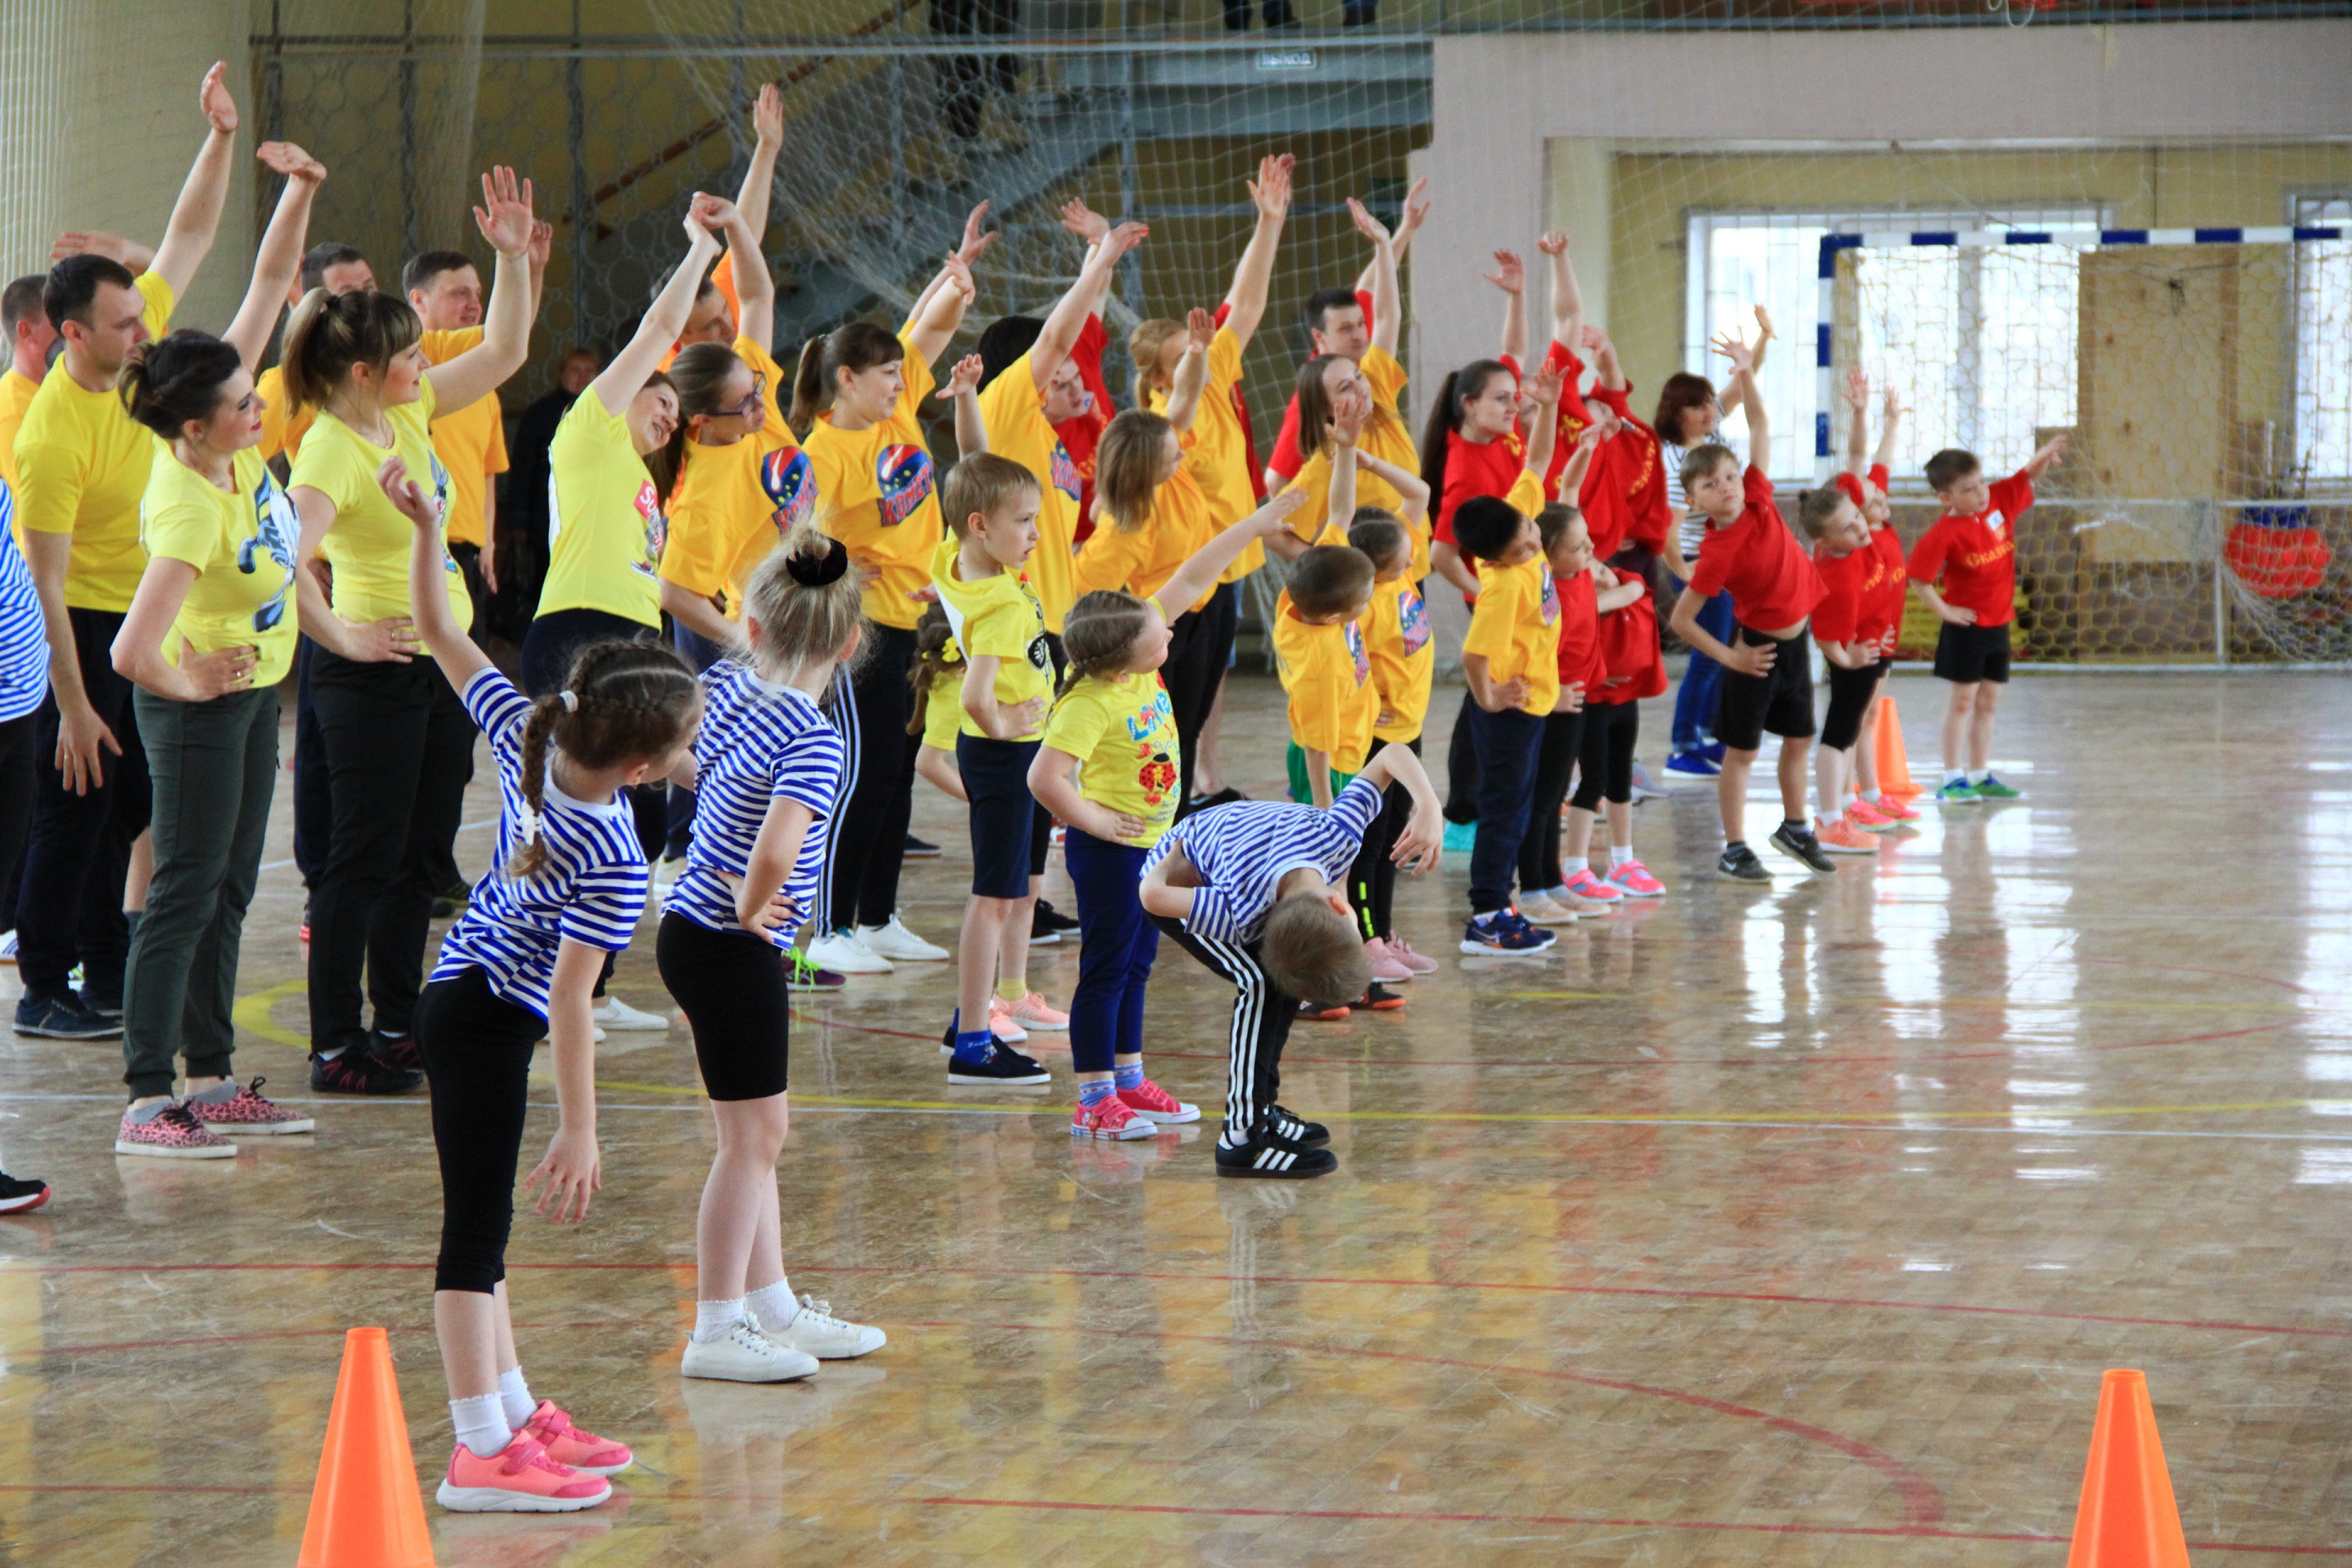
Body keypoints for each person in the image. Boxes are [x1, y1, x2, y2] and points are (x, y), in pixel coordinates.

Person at [387, 453, 697, 1513]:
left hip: (463, 1001)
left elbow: (441, 631)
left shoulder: (530, 729)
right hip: (485, 1021)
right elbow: (571, 1001)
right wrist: (582, 1128)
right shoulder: (615, 856)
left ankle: (513, 1410)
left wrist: (427, 531)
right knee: (473, 1238)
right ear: (641, 767)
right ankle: (479, 1451)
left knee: (488, 1231)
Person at [285, 165, 538, 1092]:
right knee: (360, 860)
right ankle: (334, 1045)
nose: (427, 363)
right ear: (365, 372)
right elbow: (282, 560)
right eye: (412, 355)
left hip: (441, 667)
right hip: (375, 675)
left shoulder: (409, 408)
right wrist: (344, 638)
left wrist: (512, 257)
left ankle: (396, 1023)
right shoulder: (329, 449)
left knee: (416, 860)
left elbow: (505, 349)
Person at [105, 139, 327, 1157]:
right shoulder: (190, 502)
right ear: (196, 429)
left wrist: (299, 189)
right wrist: (187, 680)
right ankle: (149, 1096)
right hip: (197, 711)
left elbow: (272, 284)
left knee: (230, 889)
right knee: (185, 891)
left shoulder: (227, 444)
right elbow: (131, 649)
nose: (259, 405)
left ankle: (212, 1076)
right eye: (244, 405)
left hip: (248, 697)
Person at [11, 64, 240, 1042]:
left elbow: (188, 235)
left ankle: (106, 966)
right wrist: (71, 707)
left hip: (141, 611)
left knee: (127, 802)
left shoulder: (131, 357)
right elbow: (46, 586)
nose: (145, 331)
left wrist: (219, 137)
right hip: (79, 625)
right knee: (79, 800)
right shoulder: (49, 438)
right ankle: (42, 988)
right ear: (71, 335)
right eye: (124, 324)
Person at [659, 531, 889, 1383]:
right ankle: (717, 1326)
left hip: (694, 935)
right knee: (753, 1139)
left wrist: (716, 811)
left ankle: (774, 1306)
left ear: (751, 628)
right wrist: (755, 906)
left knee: (755, 1133)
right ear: (850, 643)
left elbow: (681, 757)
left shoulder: (724, 687)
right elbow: (777, 850)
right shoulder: (814, 738)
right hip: (729, 944)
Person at [529, 194, 741, 1030]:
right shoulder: (589, 433)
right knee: (583, 810)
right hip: (577, 631)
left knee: (641, 811)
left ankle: (590, 985)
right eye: (659, 403)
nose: (667, 418)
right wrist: (699, 252)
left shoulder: (641, 485)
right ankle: (557, 986)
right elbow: (659, 331)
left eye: (675, 415)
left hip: (628, 641)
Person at [1028, 492, 1300, 1143]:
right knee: (1105, 968)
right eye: (1160, 634)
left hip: (1154, 848)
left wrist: (1255, 525)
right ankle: (1093, 1098)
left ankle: (1128, 1078)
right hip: (1111, 853)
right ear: (1125, 653)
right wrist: (1093, 822)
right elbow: (1044, 778)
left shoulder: (1134, 664)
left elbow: (1194, 575)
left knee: (1137, 963)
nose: (1170, 632)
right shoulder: (1091, 702)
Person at [792, 236, 978, 978]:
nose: (902, 384)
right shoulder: (820, 453)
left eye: (902, 374)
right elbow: (790, 545)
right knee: (861, 777)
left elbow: (933, 326)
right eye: (888, 375)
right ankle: (828, 926)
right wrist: (840, 566)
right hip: (860, 633)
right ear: (847, 379)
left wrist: (957, 277)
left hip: (916, 623)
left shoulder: (895, 419)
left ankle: (876, 917)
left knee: (897, 775)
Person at [1138, 739, 1442, 1178]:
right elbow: (1152, 896)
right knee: (1260, 983)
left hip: (1239, 844)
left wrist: (1428, 805)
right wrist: (1169, 860)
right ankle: (1242, 1137)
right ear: (1338, 903)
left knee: (1278, 979)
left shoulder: (1337, 833)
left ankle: (1262, 1109)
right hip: (1180, 874)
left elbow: (1392, 754)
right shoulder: (1236, 913)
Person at [1123, 156, 1293, 808]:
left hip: (1224, 569)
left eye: (1197, 348)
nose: (1201, 352)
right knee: (1171, 709)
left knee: (1199, 706)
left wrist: (1269, 221)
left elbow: (1246, 302)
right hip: (1180, 581)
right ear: (1158, 377)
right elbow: (1188, 396)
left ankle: (1193, 799)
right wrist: (1195, 359)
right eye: (1183, 355)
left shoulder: (1214, 369)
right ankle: (1158, 810)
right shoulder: (1161, 421)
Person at [1665, 333, 1832, 884]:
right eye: (1711, 484)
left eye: (1730, 477)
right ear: (1695, 500)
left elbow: (1759, 423)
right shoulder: (1715, 551)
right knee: (1741, 752)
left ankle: (1796, 827)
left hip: (1795, 644)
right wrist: (1732, 659)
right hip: (1756, 654)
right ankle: (1734, 847)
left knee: (1801, 738)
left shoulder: (1757, 493)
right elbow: (1682, 620)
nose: (1727, 488)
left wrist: (1745, 370)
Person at [929, 450, 1064, 1085]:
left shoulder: (953, 560)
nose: (1036, 533)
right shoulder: (1003, 606)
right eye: (1025, 521)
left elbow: (971, 468)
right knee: (993, 898)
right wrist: (1007, 723)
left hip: (1013, 754)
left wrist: (964, 410)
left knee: (1023, 886)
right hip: (1009, 755)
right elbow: (977, 697)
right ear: (981, 526)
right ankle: (973, 1041)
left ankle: (996, 1004)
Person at [1450, 390, 1591, 954]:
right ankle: (1487, 914)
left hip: (1532, 706)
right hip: (1510, 714)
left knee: (1523, 804)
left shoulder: (1517, 525)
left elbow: (1537, 459)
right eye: (1522, 547)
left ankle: (1502, 906)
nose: (1534, 542)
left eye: (1531, 532)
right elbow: (1473, 655)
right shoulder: (1503, 586)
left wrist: (1550, 406)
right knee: (1504, 811)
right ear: (1494, 559)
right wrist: (1488, 698)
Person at [1072, 313, 1224, 800]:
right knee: (1165, 738)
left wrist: (1197, 352)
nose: (1183, 455)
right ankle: (1157, 823)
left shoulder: (1169, 466)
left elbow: (1187, 396)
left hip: (1200, 613)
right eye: (1172, 455)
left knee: (1189, 729)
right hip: (1159, 632)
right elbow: (1082, 594)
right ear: (1146, 466)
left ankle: (1180, 822)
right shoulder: (1128, 523)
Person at [1910, 433, 2068, 804]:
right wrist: (1946, 611)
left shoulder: (1996, 501)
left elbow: (2026, 477)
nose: (1981, 492)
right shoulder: (1944, 534)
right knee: (1963, 702)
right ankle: (1952, 779)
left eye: (1981, 482)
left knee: (1989, 702)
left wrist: (2043, 456)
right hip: (1967, 629)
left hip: (1999, 623)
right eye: (1969, 489)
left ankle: (1979, 774)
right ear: (1946, 498)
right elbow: (1918, 578)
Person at [1269, 200, 1419, 583]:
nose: (1361, 387)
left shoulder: (1375, 381)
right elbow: (1274, 520)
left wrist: (1387, 242)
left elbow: (1387, 313)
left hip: (1408, 567)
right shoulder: (1326, 458)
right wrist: (1330, 563)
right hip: (1365, 584)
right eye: (1346, 386)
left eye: (1358, 377)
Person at [1657, 306, 1773, 782]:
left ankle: (1704, 734)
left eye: (1709, 403)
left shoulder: (1709, 438)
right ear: (1677, 413)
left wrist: (1760, 342)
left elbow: (1744, 388)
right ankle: (1682, 746)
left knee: (1717, 650)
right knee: (1707, 655)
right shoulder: (1676, 460)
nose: (1710, 411)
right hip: (1693, 560)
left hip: (1714, 558)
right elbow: (1668, 530)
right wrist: (1684, 573)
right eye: (1698, 406)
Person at [1260, 177, 1429, 496]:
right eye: (1346, 329)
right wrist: (1315, 526)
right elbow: (1275, 480)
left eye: (1361, 324)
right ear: (1319, 337)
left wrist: (1401, 232)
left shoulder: (1369, 368)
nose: (1360, 335)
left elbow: (1375, 294)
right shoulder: (1312, 395)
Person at [1345, 510, 1441, 984]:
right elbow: (1347, 663)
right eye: (1404, 556)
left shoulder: (1401, 580)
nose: (1413, 558)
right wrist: (1366, 706)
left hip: (1408, 727)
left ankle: (1382, 933)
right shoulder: (1364, 605)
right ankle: (1366, 943)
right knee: (1369, 844)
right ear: (1377, 567)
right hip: (1379, 741)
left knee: (1391, 842)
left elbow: (1419, 497)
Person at [403, 250, 510, 639]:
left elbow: (487, 472)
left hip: (466, 551)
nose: (474, 305)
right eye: (459, 294)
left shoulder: (484, 388)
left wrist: (488, 543)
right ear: (419, 300)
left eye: (477, 293)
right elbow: (507, 339)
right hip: (412, 544)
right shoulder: (400, 374)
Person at [1829, 372, 1918, 829]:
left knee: (1868, 718)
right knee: (1853, 720)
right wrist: (1859, 414)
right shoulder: (1856, 543)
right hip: (1861, 643)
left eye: (1880, 490)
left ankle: (1871, 793)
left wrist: (1892, 420)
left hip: (1885, 638)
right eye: (1872, 494)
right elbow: (1857, 457)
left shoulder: (1878, 516)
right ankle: (1846, 800)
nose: (1881, 492)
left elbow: (1878, 459)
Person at [1515, 502, 1602, 928]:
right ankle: (1532, 889)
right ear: (1547, 557)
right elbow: (1525, 658)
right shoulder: (1545, 595)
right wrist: (1550, 698)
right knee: (1541, 798)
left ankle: (1552, 882)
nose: (1591, 548)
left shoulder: (1580, 573)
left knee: (1556, 797)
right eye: (1578, 546)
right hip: (1553, 705)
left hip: (1576, 700)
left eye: (1587, 540)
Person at [1800, 484, 1891, 856]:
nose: (1859, 526)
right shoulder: (1835, 579)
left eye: (1856, 515)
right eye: (1847, 527)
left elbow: (1858, 472)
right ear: (1825, 541)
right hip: (1856, 660)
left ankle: (1842, 807)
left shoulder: (1854, 543)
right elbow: (1825, 640)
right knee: (1838, 736)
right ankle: (1829, 821)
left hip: (1871, 649)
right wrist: (1849, 660)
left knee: (1851, 733)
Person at [499, 345, 599, 629]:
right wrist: (519, 518)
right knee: (548, 582)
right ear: (561, 373)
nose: (582, 377)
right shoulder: (540, 413)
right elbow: (522, 468)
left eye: (589, 371)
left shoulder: (603, 412)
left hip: (590, 517)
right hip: (546, 516)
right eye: (576, 370)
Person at [0, 276, 56, 492]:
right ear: (25, 330)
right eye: (58, 319)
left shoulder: (57, 389)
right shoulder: (11, 411)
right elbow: (32, 500)